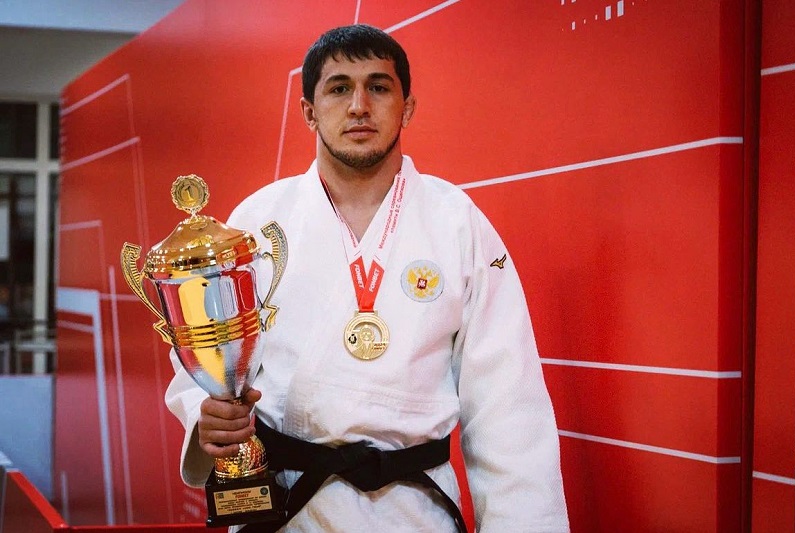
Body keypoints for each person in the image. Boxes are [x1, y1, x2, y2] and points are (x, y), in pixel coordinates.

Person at [165, 24, 569, 532]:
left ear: (407, 107)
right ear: (309, 111)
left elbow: (507, 410)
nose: (359, 106)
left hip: (413, 514)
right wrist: (207, 415)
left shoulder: (457, 223)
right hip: (289, 511)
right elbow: (203, 361)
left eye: (378, 87)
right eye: (339, 89)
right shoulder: (257, 222)